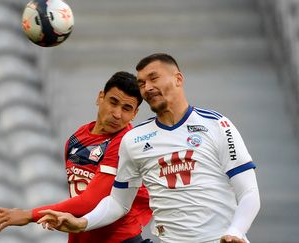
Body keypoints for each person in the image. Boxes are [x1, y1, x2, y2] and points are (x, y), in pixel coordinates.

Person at [37, 53, 261, 243]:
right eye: (142, 83)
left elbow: (249, 192)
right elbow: (118, 203)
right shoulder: (134, 140)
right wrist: (82, 223)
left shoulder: (217, 125)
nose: (147, 88)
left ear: (178, 79)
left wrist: (236, 231)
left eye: (153, 78)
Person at [0, 71, 153, 243]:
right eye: (113, 102)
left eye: (126, 109)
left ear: (134, 114)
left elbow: (90, 202)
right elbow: (77, 203)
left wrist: (29, 215)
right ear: (100, 97)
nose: (117, 113)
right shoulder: (77, 138)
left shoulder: (125, 142)